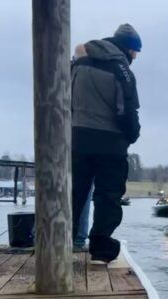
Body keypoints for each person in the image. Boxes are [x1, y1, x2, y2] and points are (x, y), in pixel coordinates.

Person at [71, 23, 142, 264]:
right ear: (128, 49)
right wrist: (133, 135)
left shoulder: (78, 63)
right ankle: (100, 249)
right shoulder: (121, 70)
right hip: (111, 143)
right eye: (135, 52)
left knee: (74, 192)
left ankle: (61, 240)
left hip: (78, 138)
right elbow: (127, 110)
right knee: (108, 196)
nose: (134, 57)